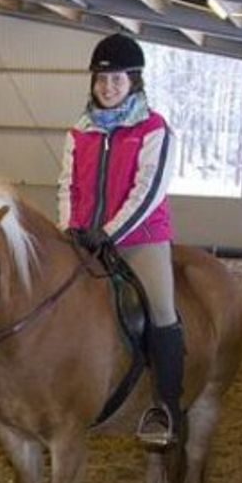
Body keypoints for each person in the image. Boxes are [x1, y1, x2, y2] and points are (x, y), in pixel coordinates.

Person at [56, 33, 182, 447]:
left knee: (161, 311)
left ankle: (165, 407)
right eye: (101, 80)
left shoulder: (154, 129)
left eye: (117, 80)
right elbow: (66, 185)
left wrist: (109, 234)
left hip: (139, 239)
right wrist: (69, 228)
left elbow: (148, 191)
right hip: (84, 238)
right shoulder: (79, 132)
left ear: (134, 82)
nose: (108, 88)